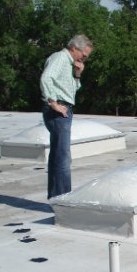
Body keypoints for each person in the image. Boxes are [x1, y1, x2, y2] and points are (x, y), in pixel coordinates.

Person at [40, 34, 94, 199]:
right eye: (83, 55)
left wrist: (77, 74)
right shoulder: (60, 58)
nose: (83, 59)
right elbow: (46, 78)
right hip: (58, 111)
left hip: (64, 108)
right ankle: (64, 199)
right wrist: (53, 102)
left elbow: (71, 90)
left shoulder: (68, 63)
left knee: (58, 156)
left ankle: (56, 197)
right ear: (74, 48)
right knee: (63, 159)